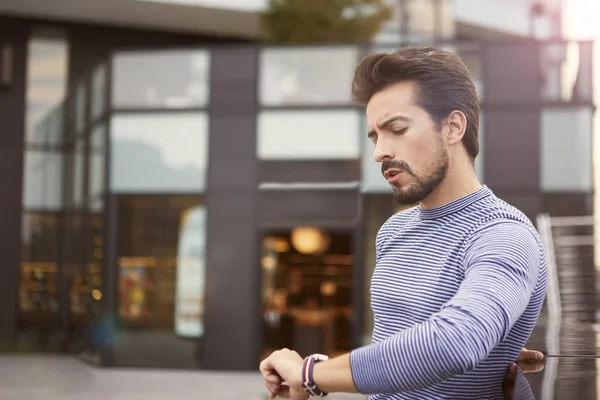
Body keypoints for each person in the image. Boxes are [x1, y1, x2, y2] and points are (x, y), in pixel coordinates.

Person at [259, 47, 548, 400]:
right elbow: (399, 346)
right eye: (375, 137)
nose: (380, 151)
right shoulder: (394, 231)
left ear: (453, 127)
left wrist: (311, 374)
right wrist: (322, 369)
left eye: (396, 129)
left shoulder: (503, 234)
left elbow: (454, 343)